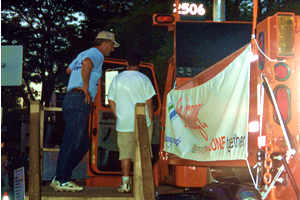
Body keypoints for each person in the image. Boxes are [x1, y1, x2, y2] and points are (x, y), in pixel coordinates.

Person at [50, 31, 120, 192]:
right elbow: (87, 64)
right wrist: (86, 88)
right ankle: (62, 179)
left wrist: (79, 80)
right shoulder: (96, 54)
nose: (112, 49)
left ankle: (61, 176)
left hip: (72, 99)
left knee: (83, 143)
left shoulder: (83, 53)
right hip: (79, 98)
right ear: (104, 43)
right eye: (111, 45)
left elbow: (69, 70)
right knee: (73, 140)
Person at [107, 52, 156, 193]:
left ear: (126, 63)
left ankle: (125, 184)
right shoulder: (144, 79)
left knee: (125, 154)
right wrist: (150, 119)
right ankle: (142, 185)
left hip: (124, 123)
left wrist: (118, 115)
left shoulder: (117, 79)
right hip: (143, 122)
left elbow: (111, 100)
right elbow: (149, 101)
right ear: (139, 64)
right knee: (143, 153)